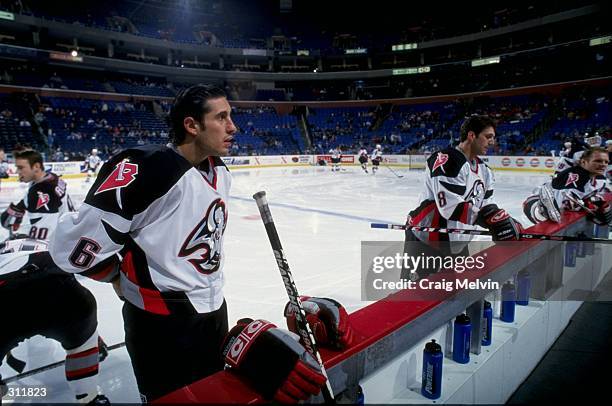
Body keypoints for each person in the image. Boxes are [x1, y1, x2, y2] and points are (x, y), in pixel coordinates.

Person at [49, 84, 327, 403]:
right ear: (192, 125)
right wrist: (113, 274)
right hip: (160, 325)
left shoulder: (220, 172)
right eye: (221, 117)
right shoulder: (147, 168)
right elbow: (73, 249)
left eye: (231, 116)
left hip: (213, 313)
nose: (233, 127)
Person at [402, 115, 522, 280]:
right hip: (426, 239)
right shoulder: (447, 159)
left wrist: (501, 219)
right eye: (488, 137)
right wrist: (490, 221)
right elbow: (450, 208)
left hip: (457, 242)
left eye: (493, 138)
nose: (492, 142)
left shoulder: (485, 171)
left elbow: (486, 205)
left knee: (458, 295)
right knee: (417, 299)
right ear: (472, 136)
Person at [0, 239, 109, 405]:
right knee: (83, 344)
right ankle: (90, 397)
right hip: (59, 289)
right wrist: (91, 337)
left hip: (6, 297)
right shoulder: (47, 243)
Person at [523, 146, 611, 225]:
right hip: (535, 202)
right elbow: (570, 203)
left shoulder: (601, 179)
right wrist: (590, 206)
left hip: (550, 200)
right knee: (553, 215)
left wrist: (595, 204)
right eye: (598, 161)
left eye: (606, 162)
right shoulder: (576, 175)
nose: (603, 164)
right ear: (584, 162)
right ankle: (541, 209)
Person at [1, 149, 74, 240]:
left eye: (21, 168)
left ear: (36, 166)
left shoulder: (41, 191)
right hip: (69, 229)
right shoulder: (50, 177)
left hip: (62, 240)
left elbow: (43, 241)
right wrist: (20, 206)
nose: (17, 172)